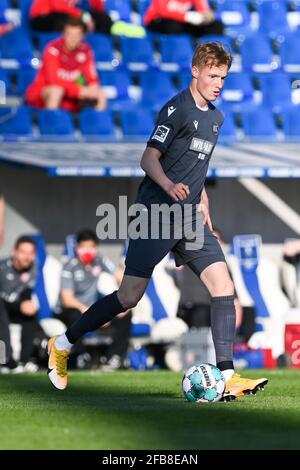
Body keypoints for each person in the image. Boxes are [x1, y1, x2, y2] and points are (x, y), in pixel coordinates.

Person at [47, 42, 268, 400]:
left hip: (190, 218)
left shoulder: (216, 117)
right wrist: (168, 184)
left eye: (223, 77)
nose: (218, 83)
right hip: (155, 216)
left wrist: (204, 200)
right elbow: (148, 159)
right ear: (195, 71)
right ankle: (63, 343)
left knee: (223, 286)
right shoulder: (176, 110)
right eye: (213, 75)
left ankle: (227, 374)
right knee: (128, 296)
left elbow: (199, 167)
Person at [58, 229, 131, 369]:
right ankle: (81, 356)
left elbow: (119, 276)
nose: (87, 250)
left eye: (91, 247)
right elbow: (67, 299)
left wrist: (122, 302)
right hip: (71, 310)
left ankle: (114, 358)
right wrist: (91, 313)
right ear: (77, 247)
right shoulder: (69, 266)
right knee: (74, 314)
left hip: (89, 310)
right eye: (84, 247)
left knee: (125, 313)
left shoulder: (99, 260)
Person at [26, 17, 107, 112]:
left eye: (77, 35)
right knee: (56, 91)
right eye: (70, 34)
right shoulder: (53, 49)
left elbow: (90, 77)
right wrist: (79, 91)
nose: (73, 39)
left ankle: (97, 124)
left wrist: (93, 86)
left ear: (82, 36)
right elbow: (54, 81)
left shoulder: (85, 50)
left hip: (71, 94)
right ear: (63, 34)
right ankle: (52, 122)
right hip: (43, 92)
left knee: (99, 93)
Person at [0, 236, 39, 369]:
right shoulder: (2, 267)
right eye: (23, 252)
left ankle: (24, 361)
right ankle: (5, 360)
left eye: (30, 253)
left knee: (32, 313)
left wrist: (27, 304)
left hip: (13, 307)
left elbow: (26, 292)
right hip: (1, 307)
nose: (27, 257)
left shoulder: (33, 269)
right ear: (14, 252)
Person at [29, 0, 145, 37]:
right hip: (42, 19)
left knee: (100, 17)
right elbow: (58, 6)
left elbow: (99, 8)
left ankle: (114, 28)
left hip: (63, 15)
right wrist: (84, 16)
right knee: (71, 18)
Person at [144, 0, 223, 37]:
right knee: (173, 26)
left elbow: (203, 10)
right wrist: (186, 16)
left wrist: (206, 17)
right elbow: (162, 11)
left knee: (216, 26)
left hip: (182, 22)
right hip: (158, 21)